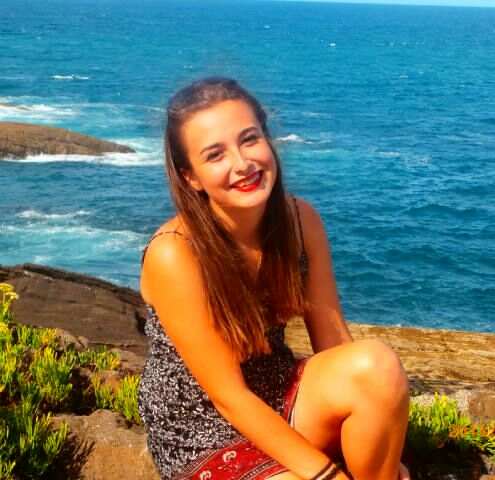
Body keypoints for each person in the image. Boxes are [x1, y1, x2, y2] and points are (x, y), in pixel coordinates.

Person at [138, 76, 411, 480]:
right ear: (191, 177)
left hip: (280, 395)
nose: (242, 164)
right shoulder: (175, 253)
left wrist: (375, 419)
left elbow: (334, 343)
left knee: (378, 366)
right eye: (215, 155)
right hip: (203, 433)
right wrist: (327, 475)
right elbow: (229, 397)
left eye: (249, 139)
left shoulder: (300, 220)